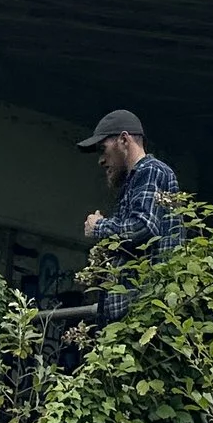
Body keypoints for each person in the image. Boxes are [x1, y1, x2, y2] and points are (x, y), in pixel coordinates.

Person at [78, 109, 182, 318]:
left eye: (103, 149)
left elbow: (143, 226)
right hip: (133, 315)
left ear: (124, 140)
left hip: (144, 312)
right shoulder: (135, 179)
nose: (101, 160)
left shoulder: (151, 171)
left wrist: (99, 226)